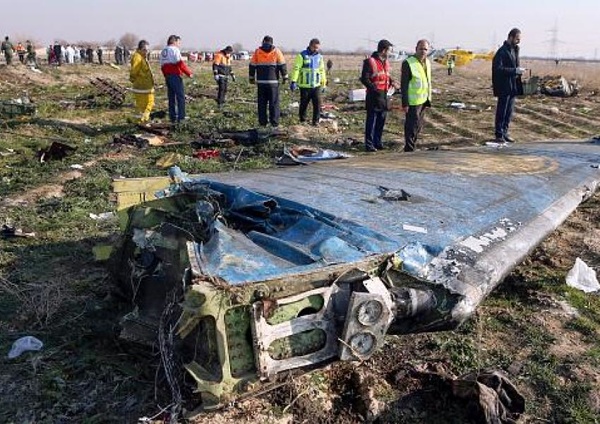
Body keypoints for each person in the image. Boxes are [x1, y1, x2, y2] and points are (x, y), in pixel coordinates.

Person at [360, 39, 398, 152]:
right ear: (384, 50)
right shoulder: (370, 62)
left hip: (384, 95)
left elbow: (385, 75)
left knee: (381, 120)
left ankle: (378, 142)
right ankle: (369, 144)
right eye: (389, 50)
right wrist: (373, 89)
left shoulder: (385, 62)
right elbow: (364, 78)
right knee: (372, 121)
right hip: (374, 96)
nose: (390, 53)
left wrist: (392, 82)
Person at [492, 28, 524, 143]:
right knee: (502, 110)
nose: (518, 41)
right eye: (517, 39)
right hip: (504, 86)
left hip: (512, 86)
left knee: (509, 111)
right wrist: (514, 71)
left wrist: (518, 72)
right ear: (511, 37)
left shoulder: (515, 50)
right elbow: (498, 69)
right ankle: (499, 134)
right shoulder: (502, 51)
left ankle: (505, 132)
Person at [249, 35, 288, 127]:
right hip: (273, 83)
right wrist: (285, 77)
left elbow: (252, 66)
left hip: (261, 83)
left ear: (263, 42)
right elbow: (282, 65)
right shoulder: (277, 51)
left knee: (262, 104)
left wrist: (251, 78)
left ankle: (263, 123)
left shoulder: (257, 52)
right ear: (272, 42)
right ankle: (274, 123)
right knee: (274, 103)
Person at [401, 39, 432, 152]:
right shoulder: (408, 63)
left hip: (423, 99)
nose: (423, 51)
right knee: (411, 127)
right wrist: (405, 103)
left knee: (418, 126)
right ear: (416, 49)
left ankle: (413, 145)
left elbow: (427, 81)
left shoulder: (427, 62)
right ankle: (409, 149)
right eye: (421, 49)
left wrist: (429, 98)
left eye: (425, 49)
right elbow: (404, 85)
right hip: (413, 101)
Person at [290, 38, 327, 126]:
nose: (316, 49)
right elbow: (296, 69)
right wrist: (293, 81)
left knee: (317, 104)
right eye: (315, 47)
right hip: (305, 86)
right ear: (310, 45)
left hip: (316, 85)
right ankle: (303, 120)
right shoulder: (302, 55)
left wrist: (324, 83)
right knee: (304, 104)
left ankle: (316, 122)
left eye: (318, 48)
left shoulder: (319, 57)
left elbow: (322, 71)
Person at [160, 35, 193, 124]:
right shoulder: (174, 50)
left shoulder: (163, 51)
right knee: (180, 97)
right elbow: (180, 63)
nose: (179, 44)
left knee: (171, 97)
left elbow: (162, 66)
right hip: (175, 75)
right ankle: (181, 117)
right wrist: (188, 73)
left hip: (168, 76)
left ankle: (172, 117)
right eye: (178, 42)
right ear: (174, 42)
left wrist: (166, 75)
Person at [130, 40, 155, 123]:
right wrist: (133, 79)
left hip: (145, 86)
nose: (146, 52)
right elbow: (134, 70)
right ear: (140, 49)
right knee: (147, 104)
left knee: (144, 105)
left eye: (147, 50)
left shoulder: (142, 57)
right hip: (142, 86)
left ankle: (141, 120)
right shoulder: (138, 57)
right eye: (144, 50)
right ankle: (141, 121)